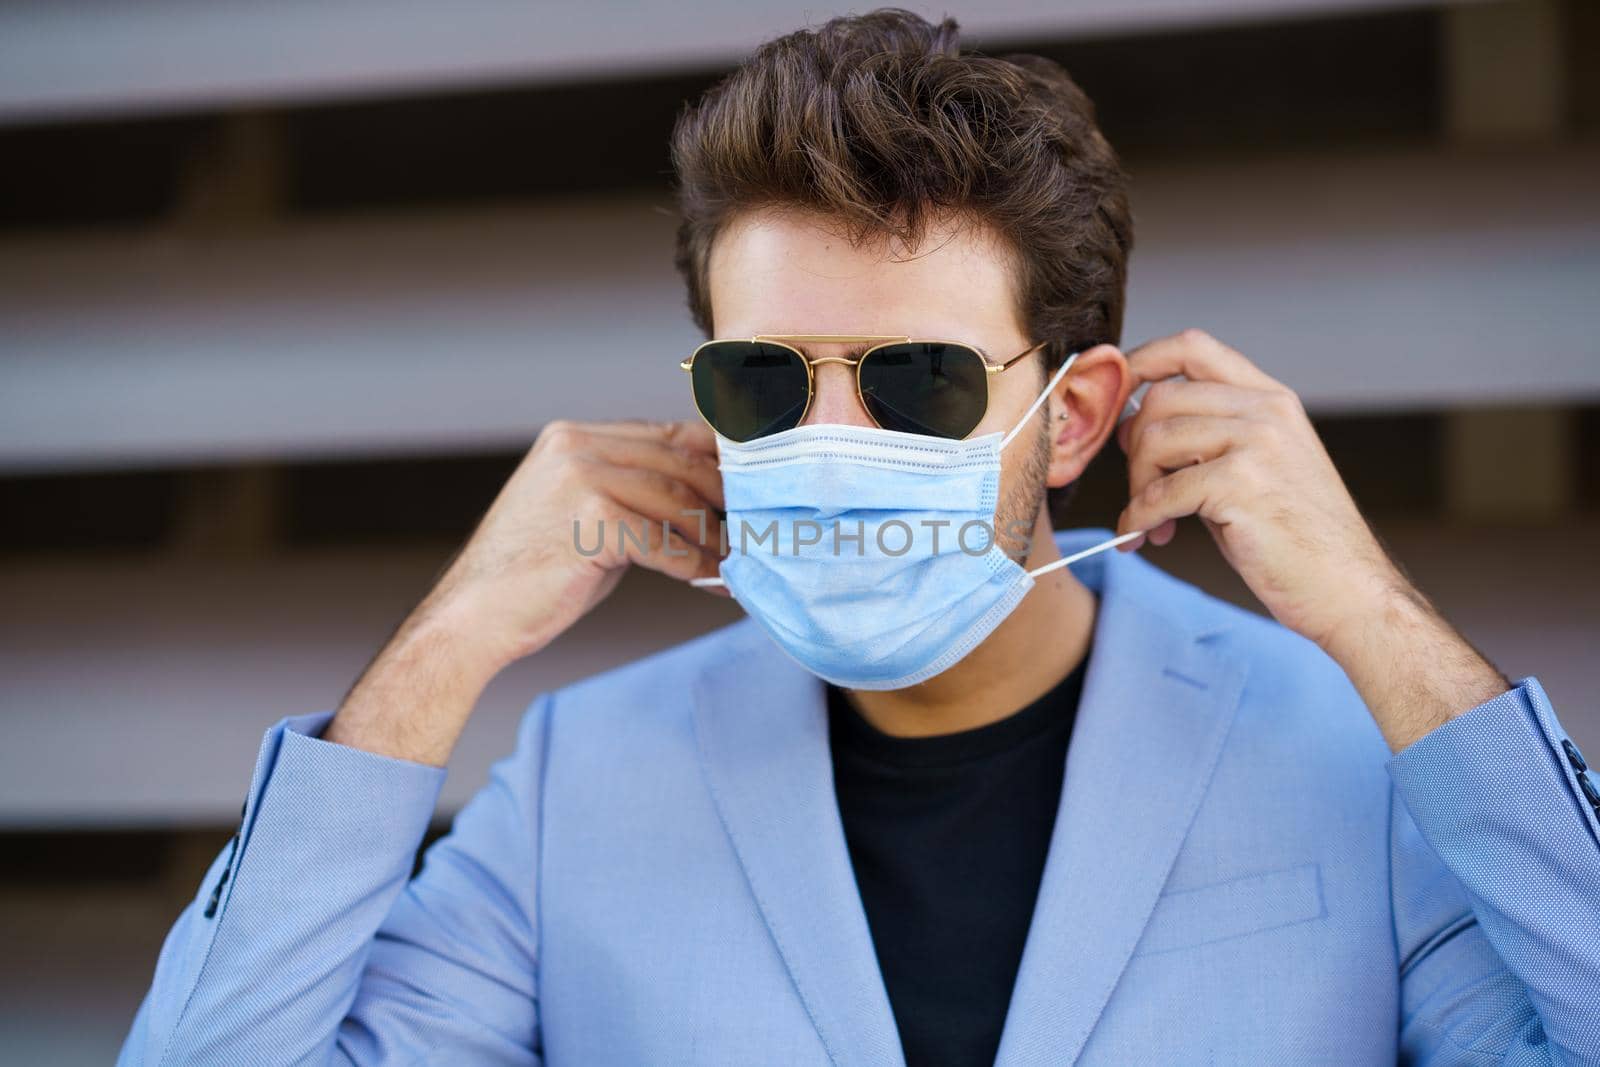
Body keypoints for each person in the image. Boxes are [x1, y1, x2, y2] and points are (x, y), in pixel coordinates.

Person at [117, 9, 1600, 1065]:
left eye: (918, 380)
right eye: (766, 379)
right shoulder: (584, 780)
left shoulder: (1355, 751)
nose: (834, 441)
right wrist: (447, 646)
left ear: (1072, 419)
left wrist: (1376, 621)